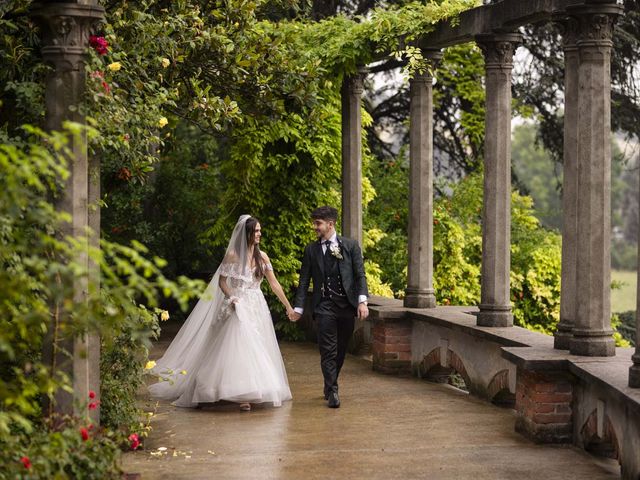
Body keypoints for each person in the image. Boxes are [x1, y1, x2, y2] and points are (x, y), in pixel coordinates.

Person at [148, 215, 293, 411]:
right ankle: (241, 394)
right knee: (239, 345)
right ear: (246, 233)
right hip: (238, 304)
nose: (259, 234)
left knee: (258, 346)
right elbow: (222, 281)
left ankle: (254, 388)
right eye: (256, 231)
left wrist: (288, 306)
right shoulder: (233, 255)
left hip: (257, 305)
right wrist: (232, 297)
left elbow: (274, 284)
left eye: (260, 230)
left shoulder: (263, 257)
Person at [289, 206, 369, 408]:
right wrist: (298, 308)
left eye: (318, 223)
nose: (314, 227)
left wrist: (362, 301)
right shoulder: (311, 249)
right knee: (328, 351)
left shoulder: (350, 246)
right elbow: (304, 280)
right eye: (314, 222)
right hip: (323, 306)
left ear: (330, 224)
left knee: (341, 349)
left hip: (346, 306)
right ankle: (333, 391)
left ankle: (329, 383)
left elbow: (360, 275)